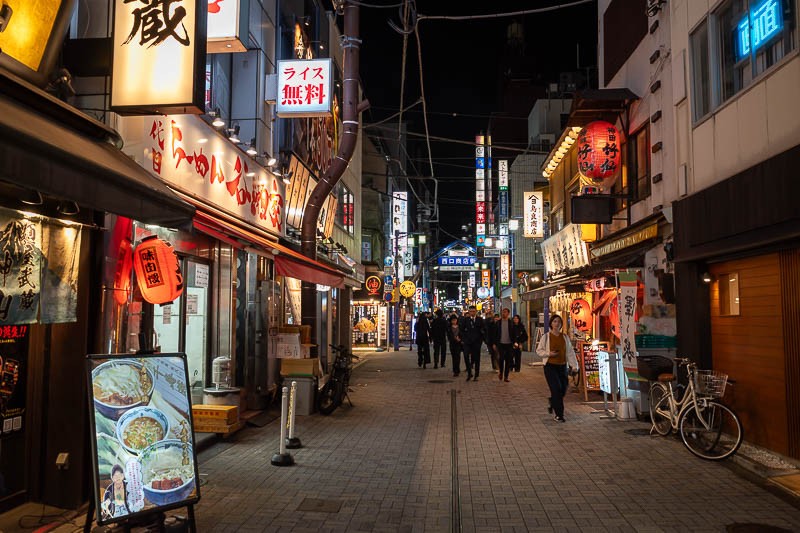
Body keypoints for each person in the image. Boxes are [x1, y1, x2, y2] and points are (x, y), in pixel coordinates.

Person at [535, 314, 577, 422]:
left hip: (562, 366)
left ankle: (553, 401)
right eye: (554, 321)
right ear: (551, 324)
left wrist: (574, 366)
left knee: (563, 388)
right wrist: (549, 354)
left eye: (558, 322)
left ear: (561, 324)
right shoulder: (546, 337)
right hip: (550, 366)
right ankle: (559, 415)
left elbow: (570, 352)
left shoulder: (565, 337)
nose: (556, 323)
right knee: (556, 389)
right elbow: (539, 351)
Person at [459, 306, 485, 381]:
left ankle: (476, 374)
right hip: (467, 342)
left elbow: (483, 329)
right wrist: (463, 339)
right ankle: (469, 372)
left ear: (476, 311)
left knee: (477, 358)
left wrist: (481, 340)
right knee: (466, 356)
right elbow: (461, 330)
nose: (472, 313)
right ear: (469, 312)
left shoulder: (480, 320)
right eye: (470, 311)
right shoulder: (465, 320)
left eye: (473, 311)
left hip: (476, 342)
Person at [493, 308, 515, 382]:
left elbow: (514, 334)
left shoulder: (511, 322)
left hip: (509, 344)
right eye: (502, 312)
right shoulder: (498, 323)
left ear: (508, 313)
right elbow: (495, 334)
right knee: (501, 359)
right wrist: (494, 344)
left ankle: (506, 376)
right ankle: (501, 373)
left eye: (505, 312)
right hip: (501, 344)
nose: (503, 313)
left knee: (508, 361)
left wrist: (515, 342)